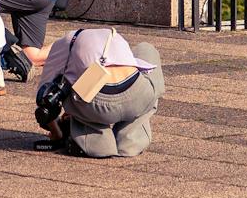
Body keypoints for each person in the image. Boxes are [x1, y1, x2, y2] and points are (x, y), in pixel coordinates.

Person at [36, 28, 164, 158]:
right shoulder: (113, 35)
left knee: (66, 85)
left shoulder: (62, 44)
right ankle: (130, 139)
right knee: (147, 49)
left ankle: (95, 142)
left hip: (97, 108)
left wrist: (57, 133)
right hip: (138, 98)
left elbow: (44, 98)